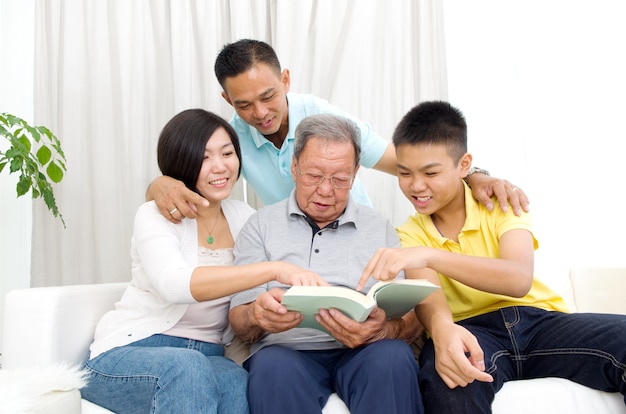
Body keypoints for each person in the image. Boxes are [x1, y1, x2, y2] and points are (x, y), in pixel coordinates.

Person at [358, 101, 626, 413]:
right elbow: (432, 305)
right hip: (470, 331)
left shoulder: (501, 203)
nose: (416, 186)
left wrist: (430, 256)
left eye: (430, 172)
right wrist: (443, 331)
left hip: (539, 323)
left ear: (463, 165)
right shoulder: (409, 234)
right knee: (448, 377)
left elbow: (517, 278)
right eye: (404, 173)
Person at [81, 109, 326, 414]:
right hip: (132, 351)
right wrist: (273, 269)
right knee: (188, 368)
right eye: (204, 157)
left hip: (209, 355)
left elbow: (258, 293)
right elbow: (175, 285)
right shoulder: (155, 215)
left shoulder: (245, 218)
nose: (220, 166)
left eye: (227, 153)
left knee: (236, 381)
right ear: (182, 160)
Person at [146, 38, 529, 221]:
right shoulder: (232, 140)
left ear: (286, 80)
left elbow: (405, 162)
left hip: (353, 230)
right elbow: (202, 178)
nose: (260, 113)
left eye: (269, 96)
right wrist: (158, 184)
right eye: (244, 104)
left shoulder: (323, 116)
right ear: (228, 101)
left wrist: (475, 175)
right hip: (294, 243)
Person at [228, 113, 424, 414]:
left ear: (355, 174)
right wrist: (257, 315)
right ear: (294, 167)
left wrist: (384, 330)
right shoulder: (260, 226)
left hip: (364, 350)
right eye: (314, 175)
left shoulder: (379, 227)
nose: (325, 190)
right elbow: (239, 319)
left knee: (393, 358)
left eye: (339, 179)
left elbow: (412, 317)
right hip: (287, 352)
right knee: (271, 368)